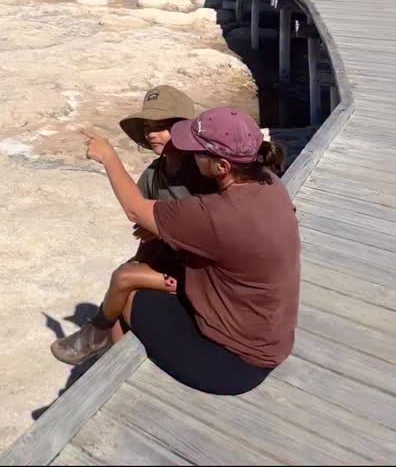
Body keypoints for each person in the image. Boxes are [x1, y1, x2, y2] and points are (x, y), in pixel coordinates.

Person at [56, 106, 300, 396]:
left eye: (198, 152)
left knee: (127, 299)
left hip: (234, 362)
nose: (191, 156)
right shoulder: (270, 184)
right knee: (134, 279)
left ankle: (116, 391)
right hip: (270, 338)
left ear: (222, 166)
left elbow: (135, 210)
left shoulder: (215, 214)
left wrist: (108, 156)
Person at [51, 84, 215, 366]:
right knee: (125, 291)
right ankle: (113, 358)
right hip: (173, 260)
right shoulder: (155, 173)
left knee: (124, 278)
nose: (152, 133)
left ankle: (95, 335)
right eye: (149, 126)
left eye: (161, 126)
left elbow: (140, 212)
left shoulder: (201, 174)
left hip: (202, 273)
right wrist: (149, 239)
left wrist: (109, 157)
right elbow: (144, 219)